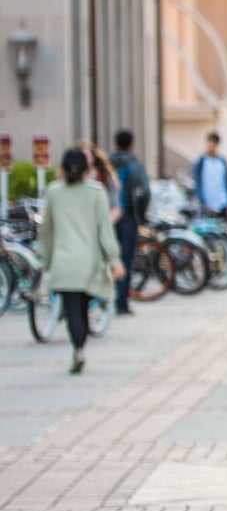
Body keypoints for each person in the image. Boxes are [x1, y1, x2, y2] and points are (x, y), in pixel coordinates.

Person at [38, 148, 123, 375]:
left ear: (63, 168)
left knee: (72, 308)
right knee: (83, 307)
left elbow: (47, 231)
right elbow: (105, 230)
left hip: (63, 262)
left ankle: (78, 349)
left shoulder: (54, 192)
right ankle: (81, 347)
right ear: (88, 168)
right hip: (89, 263)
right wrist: (115, 260)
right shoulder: (96, 192)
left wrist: (44, 260)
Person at [109, 129, 151, 316]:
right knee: (125, 260)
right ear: (131, 143)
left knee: (107, 257)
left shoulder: (107, 163)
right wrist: (140, 215)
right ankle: (121, 302)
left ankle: (103, 300)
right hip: (128, 218)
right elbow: (146, 192)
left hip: (108, 217)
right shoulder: (135, 164)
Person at [192, 132, 227, 218]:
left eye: (212, 144)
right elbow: (197, 182)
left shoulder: (222, 162)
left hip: (222, 204)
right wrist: (201, 201)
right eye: (208, 143)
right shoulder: (201, 161)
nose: (209, 146)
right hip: (207, 205)